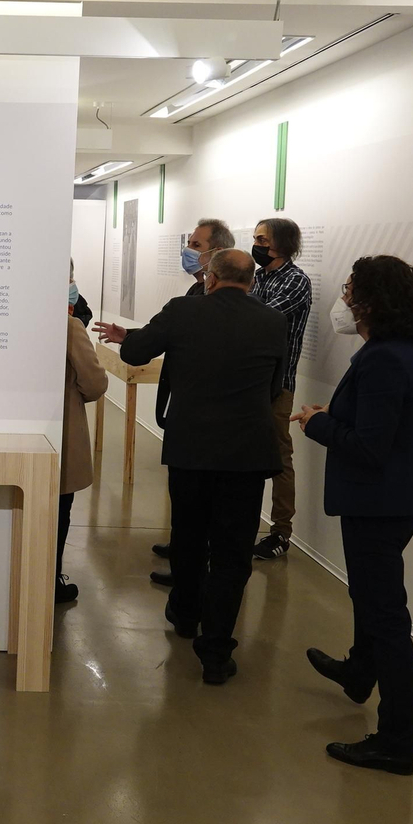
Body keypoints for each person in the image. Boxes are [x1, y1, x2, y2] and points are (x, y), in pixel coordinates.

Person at [95, 249, 286, 684]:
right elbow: (274, 385)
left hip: (192, 448)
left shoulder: (185, 310)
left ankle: (185, 614)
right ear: (251, 282)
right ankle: (217, 651)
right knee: (233, 552)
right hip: (246, 453)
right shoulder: (273, 321)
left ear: (211, 279)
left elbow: (136, 351)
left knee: (190, 531)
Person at [294, 256, 413, 775]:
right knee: (372, 596)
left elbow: (370, 447)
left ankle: (396, 740)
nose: (344, 300)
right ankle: (359, 671)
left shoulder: (383, 360)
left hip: (380, 501)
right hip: (395, 498)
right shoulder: (412, 351)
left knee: (386, 617)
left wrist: (318, 423)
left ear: (372, 302)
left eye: (351, 291)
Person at [149, 217, 237, 575]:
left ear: (217, 254)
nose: (188, 252)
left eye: (196, 246)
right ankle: (186, 550)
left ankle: (193, 569)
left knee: (205, 498)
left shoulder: (237, 305)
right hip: (190, 416)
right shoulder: (192, 294)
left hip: (211, 422)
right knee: (187, 500)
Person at [250, 218, 313, 561]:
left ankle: (280, 532)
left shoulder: (296, 281)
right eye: (256, 238)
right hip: (250, 383)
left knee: (278, 456)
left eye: (263, 239)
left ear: (282, 244)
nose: (257, 244)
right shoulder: (259, 277)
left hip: (277, 385)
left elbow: (256, 318)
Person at [57, 279, 108, 603]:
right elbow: (94, 383)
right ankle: (50, 581)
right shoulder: (69, 325)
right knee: (59, 509)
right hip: (61, 432)